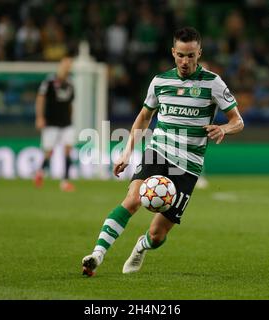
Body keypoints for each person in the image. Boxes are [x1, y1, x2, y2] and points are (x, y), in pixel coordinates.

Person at [81, 27, 244, 276]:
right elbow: (144, 116)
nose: (185, 61)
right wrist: (127, 152)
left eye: (190, 55)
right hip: (159, 151)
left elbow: (238, 121)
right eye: (180, 55)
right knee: (133, 199)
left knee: (157, 235)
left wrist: (224, 128)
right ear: (173, 52)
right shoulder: (160, 81)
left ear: (199, 53)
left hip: (188, 166)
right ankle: (97, 254)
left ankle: (141, 246)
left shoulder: (213, 83)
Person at [34, 57, 75, 192]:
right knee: (49, 152)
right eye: (66, 65)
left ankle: (65, 181)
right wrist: (40, 117)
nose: (68, 68)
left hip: (66, 123)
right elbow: (40, 98)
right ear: (60, 66)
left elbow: (70, 104)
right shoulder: (49, 82)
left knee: (68, 149)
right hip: (51, 122)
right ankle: (40, 172)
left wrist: (71, 118)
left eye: (69, 66)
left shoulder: (70, 84)